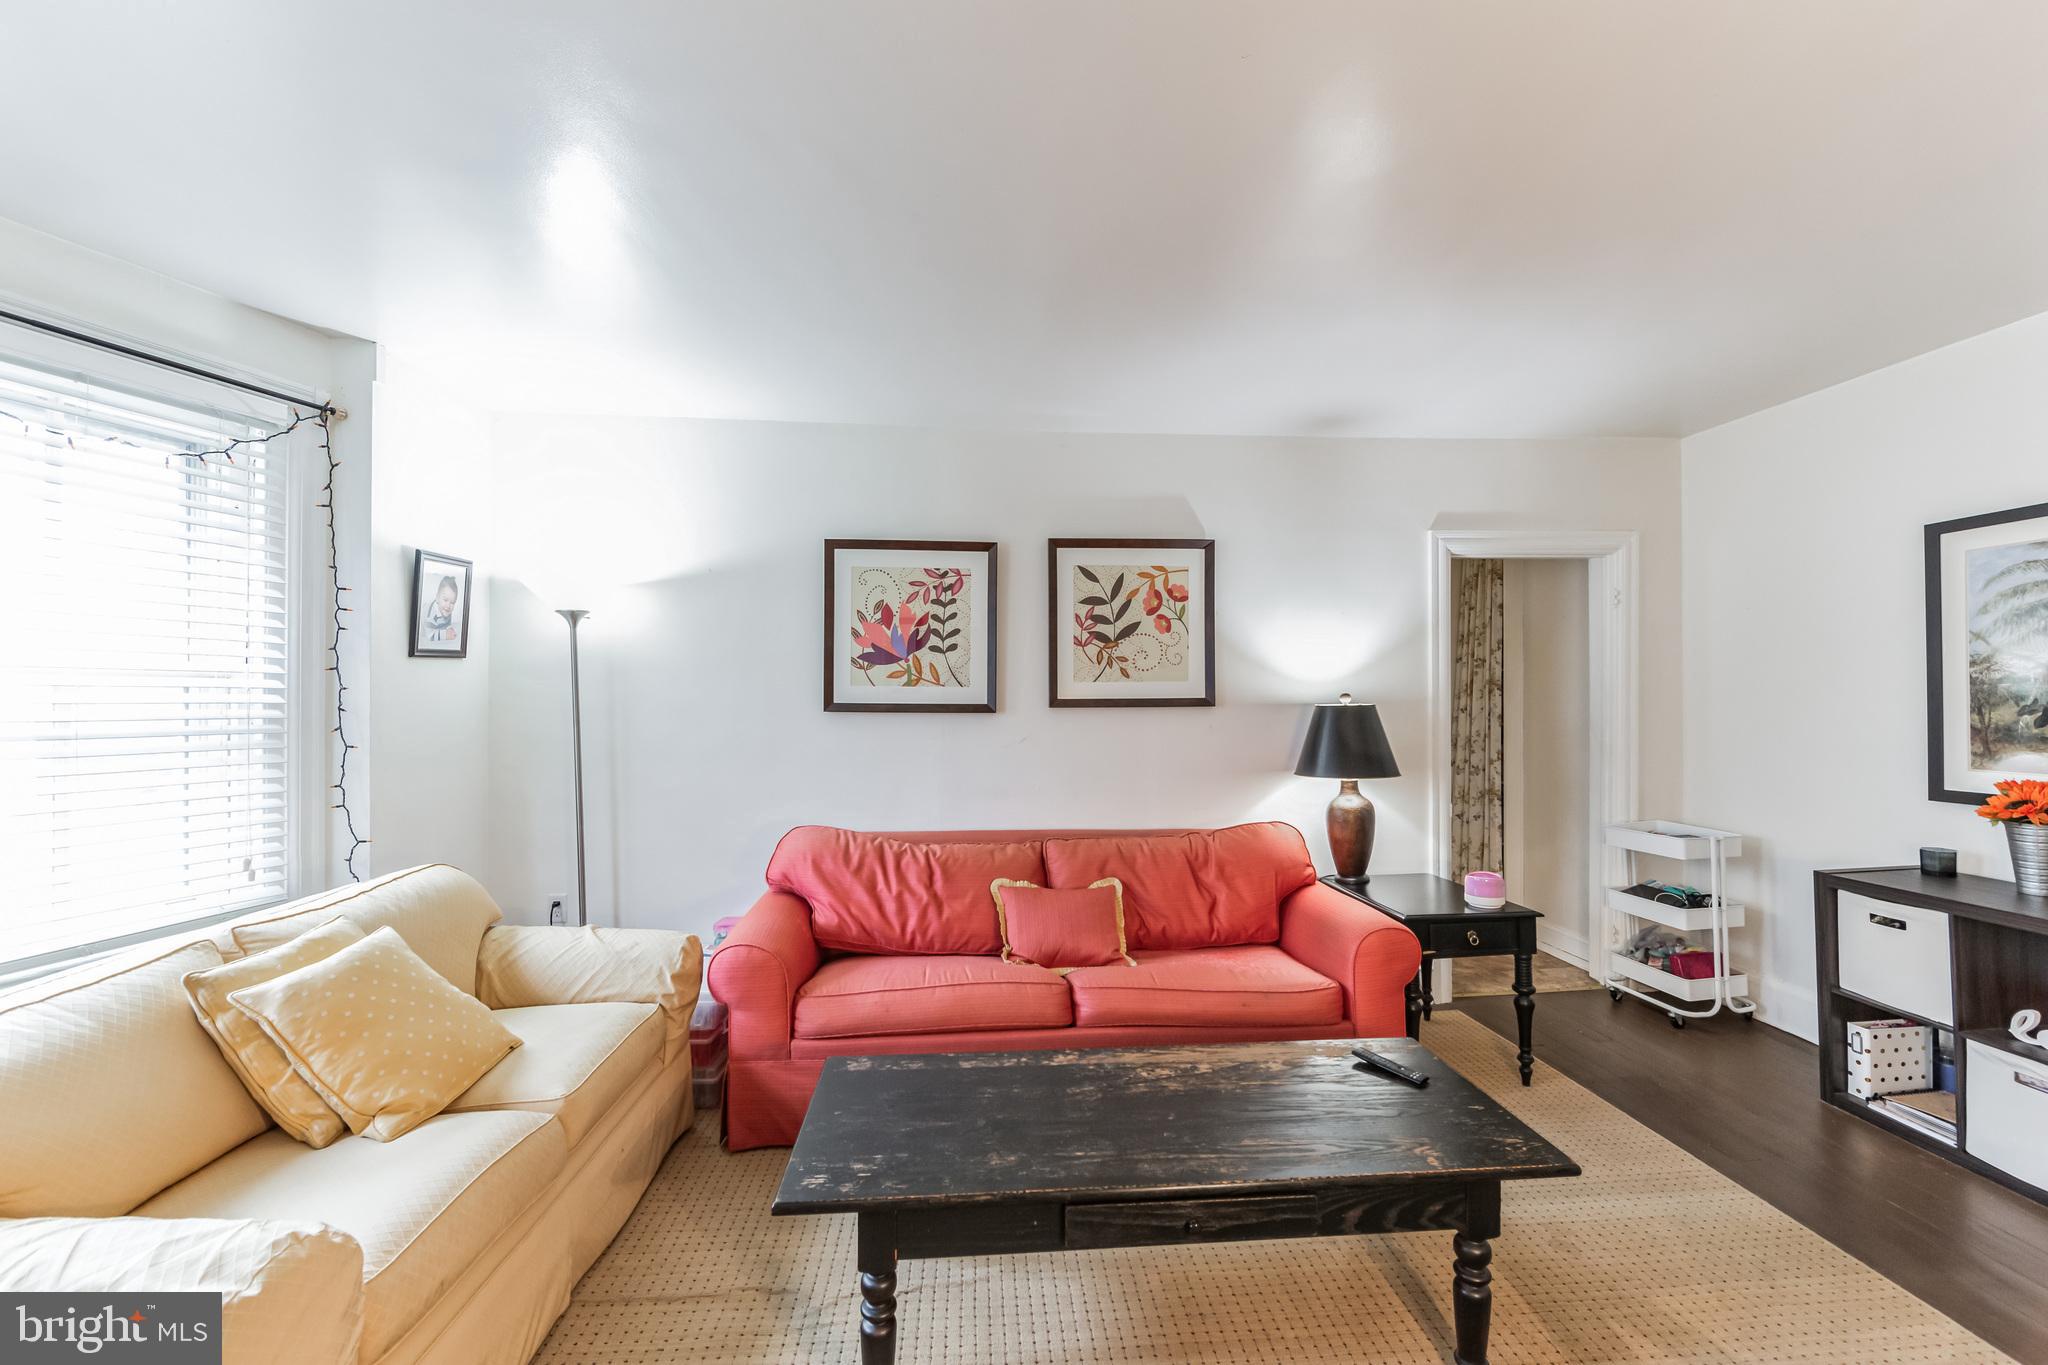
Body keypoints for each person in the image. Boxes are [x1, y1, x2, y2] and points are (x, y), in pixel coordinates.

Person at [424, 574, 461, 641]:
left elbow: (446, 624)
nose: (448, 605)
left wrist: (449, 629)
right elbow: (429, 635)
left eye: (452, 602)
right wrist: (445, 635)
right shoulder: (431, 614)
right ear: (437, 598)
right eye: (445, 600)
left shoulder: (447, 610)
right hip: (424, 624)